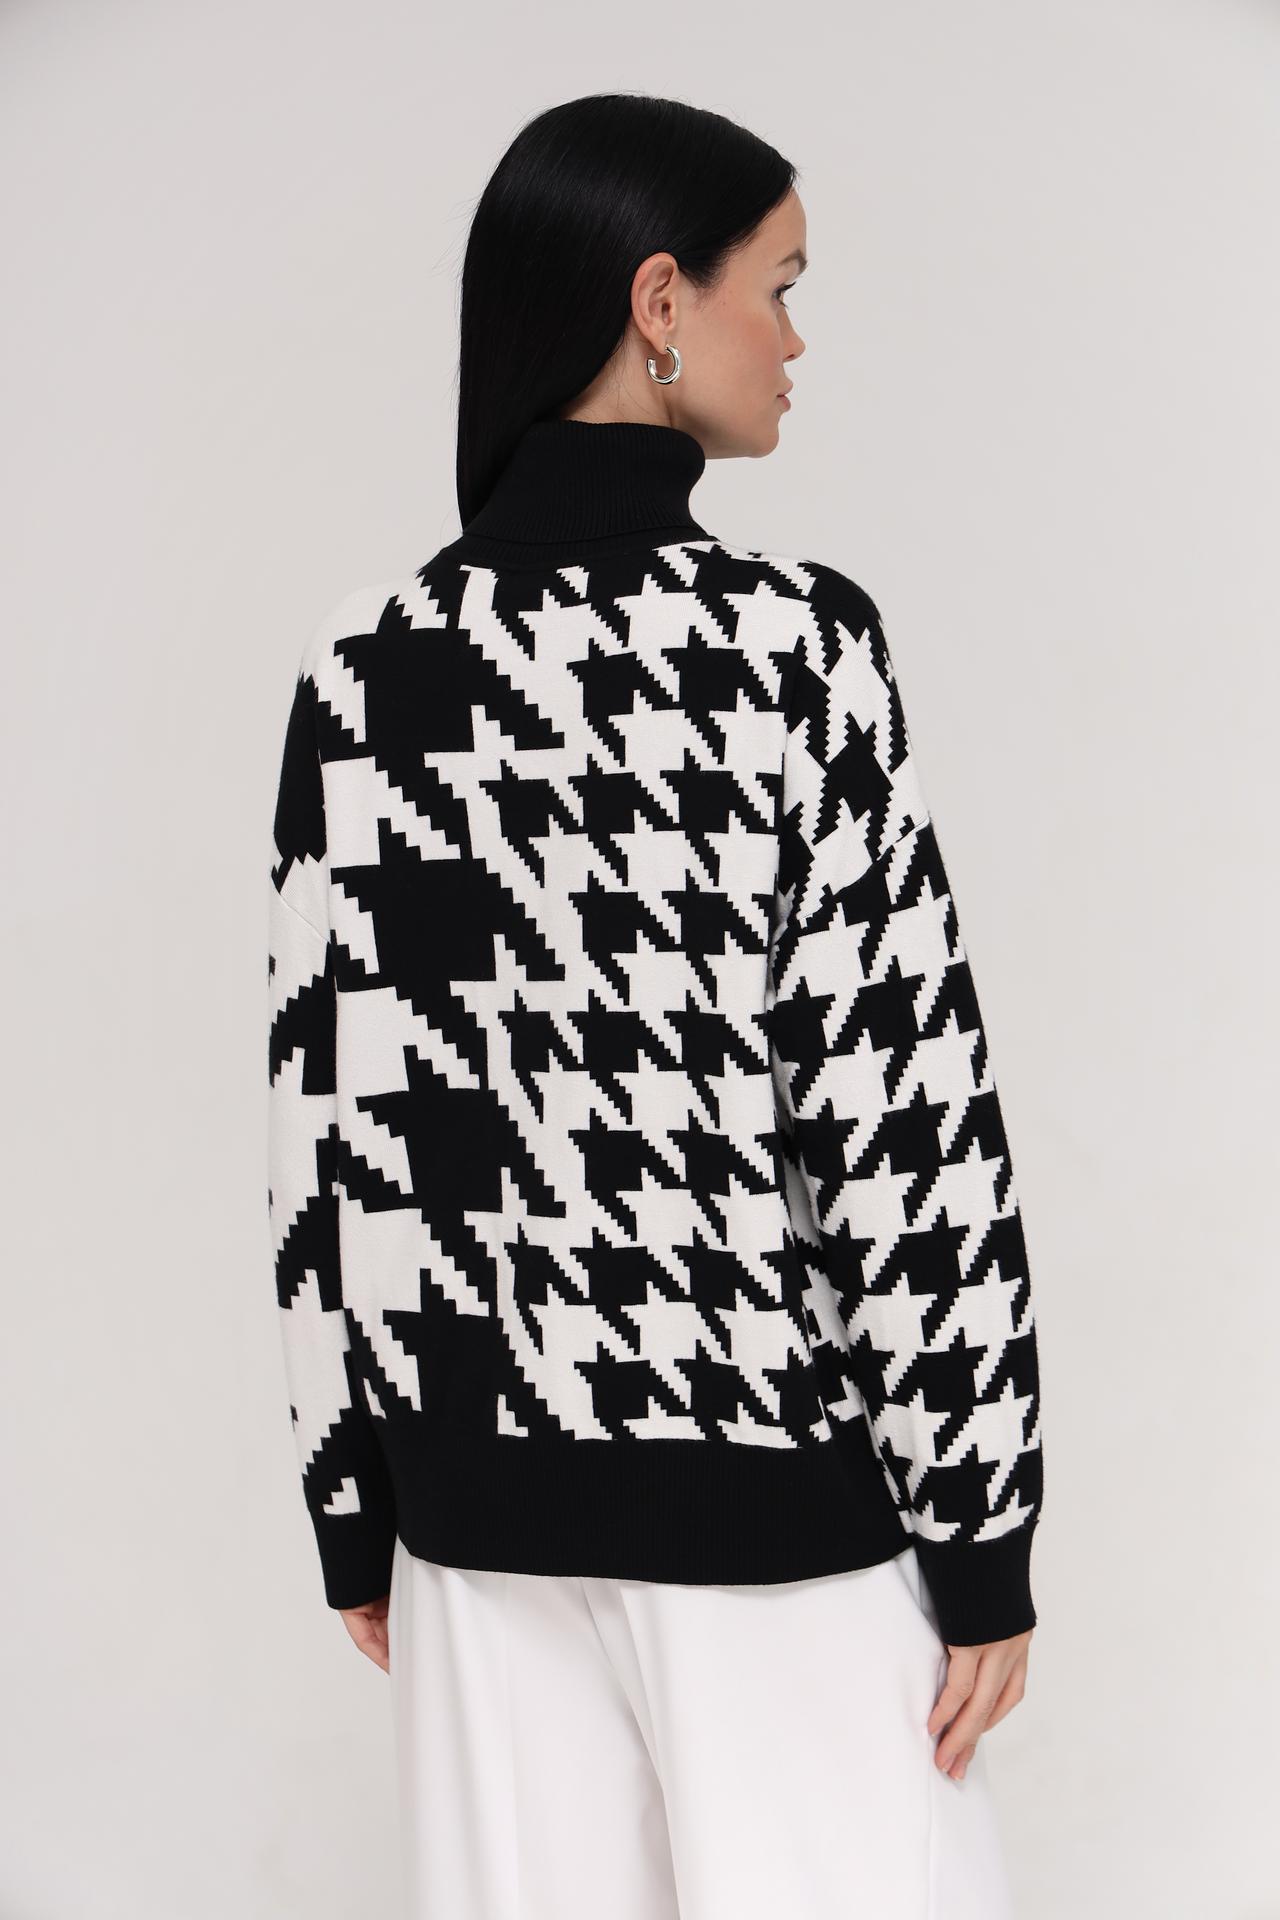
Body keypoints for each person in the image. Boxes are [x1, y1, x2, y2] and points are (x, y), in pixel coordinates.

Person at [266, 91, 1043, 1920]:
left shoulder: (367, 671)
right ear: (661, 301)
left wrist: (351, 1495)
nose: (800, 340)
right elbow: (896, 1109)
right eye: (783, 285)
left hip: (471, 1524)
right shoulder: (792, 649)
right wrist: (980, 1527)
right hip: (763, 1504)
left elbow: (334, 1129)